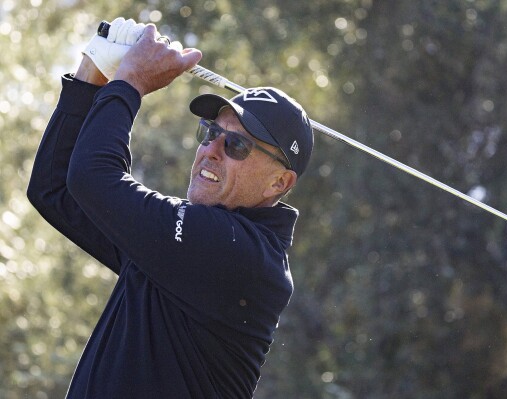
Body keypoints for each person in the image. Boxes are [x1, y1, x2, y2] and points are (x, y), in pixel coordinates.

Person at [27, 17, 313, 399]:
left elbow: (92, 178)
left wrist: (130, 82)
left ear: (279, 183)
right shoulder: (187, 239)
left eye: (237, 146)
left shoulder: (241, 254)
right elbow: (55, 188)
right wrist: (92, 69)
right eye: (211, 132)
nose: (211, 150)